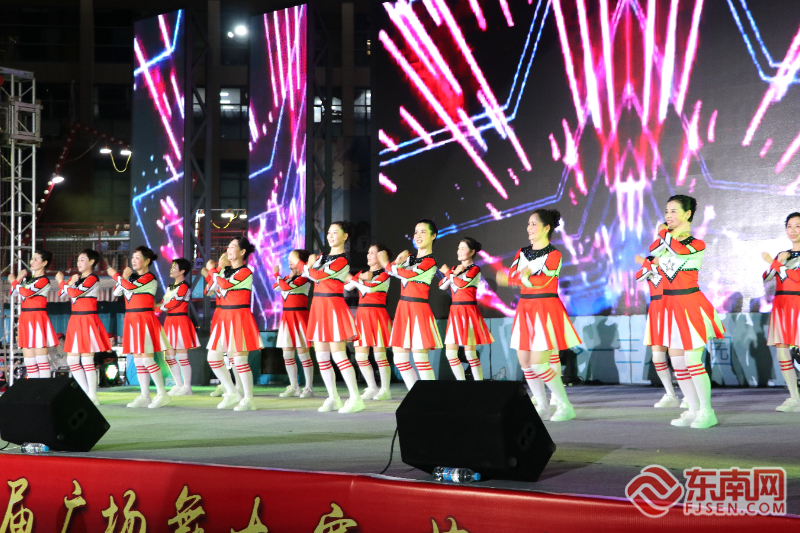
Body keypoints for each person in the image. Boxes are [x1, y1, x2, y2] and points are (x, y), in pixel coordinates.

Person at [648, 195, 724, 429]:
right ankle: (693, 409)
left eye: (673, 211)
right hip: (670, 307)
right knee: (678, 362)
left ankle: (707, 411)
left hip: (690, 305)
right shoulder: (665, 242)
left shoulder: (696, 244)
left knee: (692, 361)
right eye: (666, 211)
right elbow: (653, 251)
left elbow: (679, 251)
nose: (668, 215)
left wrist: (664, 232)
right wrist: (666, 235)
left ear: (688, 214)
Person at [497, 209, 580, 422]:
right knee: (525, 361)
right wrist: (519, 277)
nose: (529, 228)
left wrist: (519, 278)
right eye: (528, 224)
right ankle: (542, 406)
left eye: (533, 224)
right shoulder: (522, 252)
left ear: (546, 228)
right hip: (525, 308)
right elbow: (512, 275)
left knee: (538, 363)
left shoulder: (554, 254)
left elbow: (541, 281)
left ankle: (565, 405)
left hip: (544, 308)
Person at [299, 222, 364, 413]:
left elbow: (317, 275)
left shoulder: (342, 260)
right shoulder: (322, 257)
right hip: (318, 306)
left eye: (335, 232)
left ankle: (355, 398)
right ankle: (333, 398)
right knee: (321, 356)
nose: (330, 236)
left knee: (339, 355)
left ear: (345, 236)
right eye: (329, 232)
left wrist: (302, 264)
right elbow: (312, 274)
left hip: (333, 307)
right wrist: (309, 265)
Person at [378, 219, 443, 389]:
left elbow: (406, 274)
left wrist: (386, 263)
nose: (418, 235)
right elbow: (394, 271)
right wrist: (397, 260)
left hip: (418, 309)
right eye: (416, 232)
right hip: (403, 308)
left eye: (423, 232)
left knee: (420, 359)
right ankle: (415, 395)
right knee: (400, 359)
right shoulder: (410, 258)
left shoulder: (430, 261)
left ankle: (431, 398)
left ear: (433, 236)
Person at [201, 236, 264, 411]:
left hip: (239, 316)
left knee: (239, 359)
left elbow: (224, 285)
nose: (228, 250)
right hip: (223, 318)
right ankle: (232, 392)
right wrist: (217, 270)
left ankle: (249, 399)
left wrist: (212, 270)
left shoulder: (245, 272)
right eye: (228, 247)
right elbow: (208, 291)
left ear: (242, 252)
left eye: (233, 247)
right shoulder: (222, 272)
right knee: (213, 357)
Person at [108, 246, 172, 409]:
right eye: (133, 257)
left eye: (137, 257)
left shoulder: (149, 277)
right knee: (138, 360)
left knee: (147, 359)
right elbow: (116, 293)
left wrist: (115, 275)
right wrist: (122, 277)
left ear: (147, 261)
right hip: (131, 319)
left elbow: (129, 288)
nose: (134, 260)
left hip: (144, 319)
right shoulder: (129, 279)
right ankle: (145, 396)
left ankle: (162, 394)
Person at [56, 249, 112, 406]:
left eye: (82, 259)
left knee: (87, 359)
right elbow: (61, 294)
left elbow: (73, 294)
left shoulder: (93, 278)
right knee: (72, 359)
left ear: (91, 262)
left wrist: (61, 281)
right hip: (75, 320)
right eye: (78, 260)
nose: (78, 263)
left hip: (87, 319)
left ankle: (93, 395)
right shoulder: (76, 279)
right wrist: (68, 282)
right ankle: (86, 393)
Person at [635, 224, 682, 408]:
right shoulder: (651, 261)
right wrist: (648, 262)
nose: (660, 238)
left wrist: (647, 262)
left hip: (672, 306)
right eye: (658, 234)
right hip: (656, 310)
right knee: (657, 356)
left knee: (678, 356)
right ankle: (670, 394)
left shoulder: (675, 258)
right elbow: (639, 276)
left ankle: (689, 395)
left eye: (663, 234)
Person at [438, 237, 493, 380]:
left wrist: (448, 273)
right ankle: (462, 384)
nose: (459, 251)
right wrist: (452, 273)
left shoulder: (475, 269)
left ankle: (478, 384)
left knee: (470, 354)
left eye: (463, 248)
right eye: (458, 248)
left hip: (468, 311)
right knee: (450, 353)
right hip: (455, 312)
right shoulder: (454, 269)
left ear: (472, 252)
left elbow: (462, 284)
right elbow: (442, 286)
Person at [762, 211, 800, 412]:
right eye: (789, 226)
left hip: (798, 304)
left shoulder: (782, 258)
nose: (793, 231)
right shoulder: (783, 255)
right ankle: (794, 397)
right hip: (782, 306)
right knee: (783, 350)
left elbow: (797, 277)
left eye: (798, 226)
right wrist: (776, 262)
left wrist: (774, 262)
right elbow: (767, 277)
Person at [345, 244, 394, 400]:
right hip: (362, 316)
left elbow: (370, 289)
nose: (368, 255)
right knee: (360, 356)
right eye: (368, 252)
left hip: (377, 315)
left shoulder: (385, 274)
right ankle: (372, 387)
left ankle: (385, 389)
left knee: (380, 356)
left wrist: (355, 278)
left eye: (372, 252)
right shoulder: (363, 274)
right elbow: (348, 287)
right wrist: (358, 278)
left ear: (381, 255)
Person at [8, 250, 58, 379]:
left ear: (44, 263)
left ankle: (45, 389)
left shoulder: (44, 280)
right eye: (32, 259)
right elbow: (13, 293)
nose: (32, 262)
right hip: (25, 318)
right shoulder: (27, 279)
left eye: (36, 259)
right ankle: (35, 389)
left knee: (41, 360)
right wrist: (18, 279)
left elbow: (26, 293)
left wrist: (13, 280)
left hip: (38, 318)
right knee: (29, 361)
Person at [273, 249, 315, 398]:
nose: (289, 261)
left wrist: (276, 274)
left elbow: (284, 287)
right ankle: (294, 387)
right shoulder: (288, 278)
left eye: (294, 258)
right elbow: (276, 287)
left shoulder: (304, 278)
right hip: (287, 318)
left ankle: (308, 388)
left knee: (303, 354)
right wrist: (286, 277)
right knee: (287, 354)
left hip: (300, 317)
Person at [158, 258, 198, 396]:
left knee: (182, 356)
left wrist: (158, 307)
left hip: (181, 321)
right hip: (169, 322)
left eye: (175, 267)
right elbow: (164, 301)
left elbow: (173, 302)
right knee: (168, 356)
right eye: (172, 267)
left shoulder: (184, 286)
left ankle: (187, 387)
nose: (172, 269)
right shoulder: (170, 287)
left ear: (182, 271)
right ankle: (179, 385)